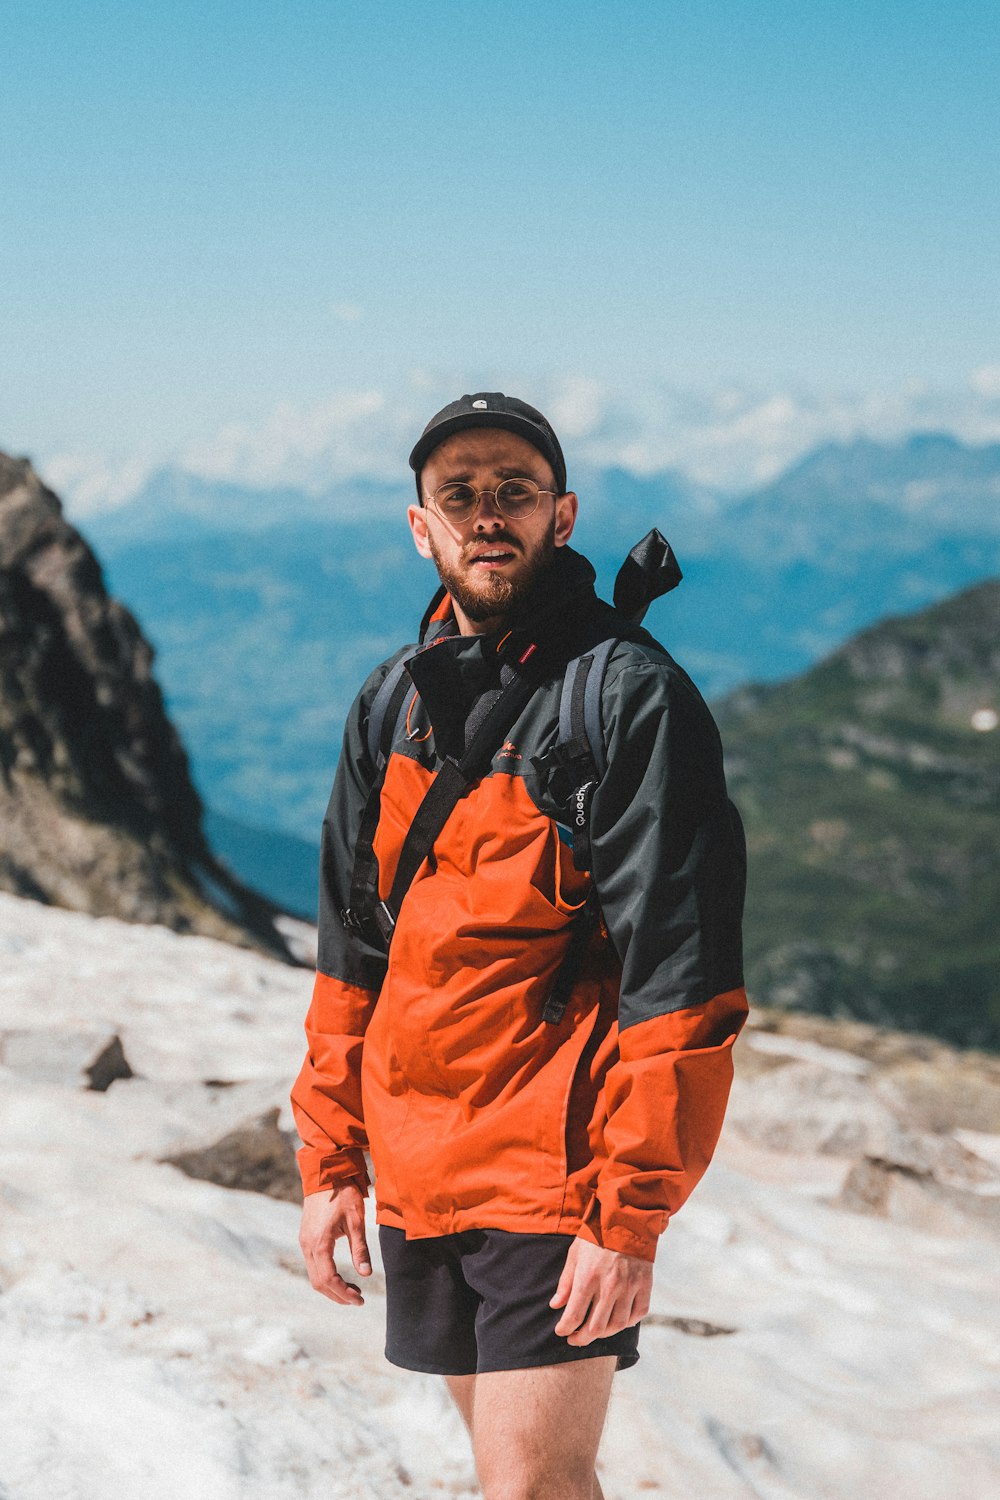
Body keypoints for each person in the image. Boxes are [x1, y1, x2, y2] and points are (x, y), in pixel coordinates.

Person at [292, 393, 747, 1499]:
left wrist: (628, 1218)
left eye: (514, 493)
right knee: (526, 1482)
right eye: (461, 495)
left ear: (562, 514)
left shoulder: (626, 697)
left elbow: (679, 987)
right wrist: (329, 1159)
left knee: (528, 1486)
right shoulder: (391, 704)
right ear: (421, 526)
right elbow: (356, 959)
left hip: (551, 1174)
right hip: (415, 1169)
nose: (487, 516)